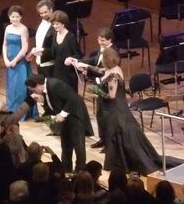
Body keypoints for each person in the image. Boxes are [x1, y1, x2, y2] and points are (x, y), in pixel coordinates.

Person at [75, 47, 160, 175]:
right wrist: (84, 66)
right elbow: (99, 70)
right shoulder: (115, 69)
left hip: (114, 108)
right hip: (118, 106)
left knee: (117, 134)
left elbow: (112, 95)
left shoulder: (113, 76)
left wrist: (96, 91)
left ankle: (122, 163)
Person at [25, 73, 93, 173]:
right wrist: (43, 102)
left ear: (38, 85)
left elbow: (73, 99)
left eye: (33, 89)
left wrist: (62, 114)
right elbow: (53, 106)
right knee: (65, 145)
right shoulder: (44, 90)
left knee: (79, 147)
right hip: (65, 119)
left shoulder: (55, 85)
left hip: (75, 116)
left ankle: (79, 171)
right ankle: (66, 169)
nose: (33, 92)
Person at [73, 27, 115, 149]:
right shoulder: (101, 50)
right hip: (99, 85)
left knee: (107, 115)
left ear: (110, 40)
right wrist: (78, 61)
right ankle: (103, 139)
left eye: (103, 40)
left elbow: (105, 72)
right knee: (100, 113)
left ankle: (109, 143)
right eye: (99, 39)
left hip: (107, 87)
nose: (100, 42)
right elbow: (93, 61)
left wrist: (88, 68)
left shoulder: (113, 52)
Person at [2, 5, 37, 119]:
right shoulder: (7, 28)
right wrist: (6, 60)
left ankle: (21, 113)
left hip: (20, 63)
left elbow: (24, 48)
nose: (15, 19)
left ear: (21, 17)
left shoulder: (23, 29)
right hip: (9, 62)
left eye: (17, 17)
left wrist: (15, 60)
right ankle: (11, 110)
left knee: (20, 88)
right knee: (11, 88)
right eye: (13, 17)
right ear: (9, 17)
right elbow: (5, 44)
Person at [49, 10, 82, 91]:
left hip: (68, 74)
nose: (54, 26)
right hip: (57, 71)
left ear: (63, 23)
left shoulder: (70, 37)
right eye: (53, 24)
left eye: (56, 24)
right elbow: (54, 53)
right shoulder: (54, 35)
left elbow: (78, 54)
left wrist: (70, 58)